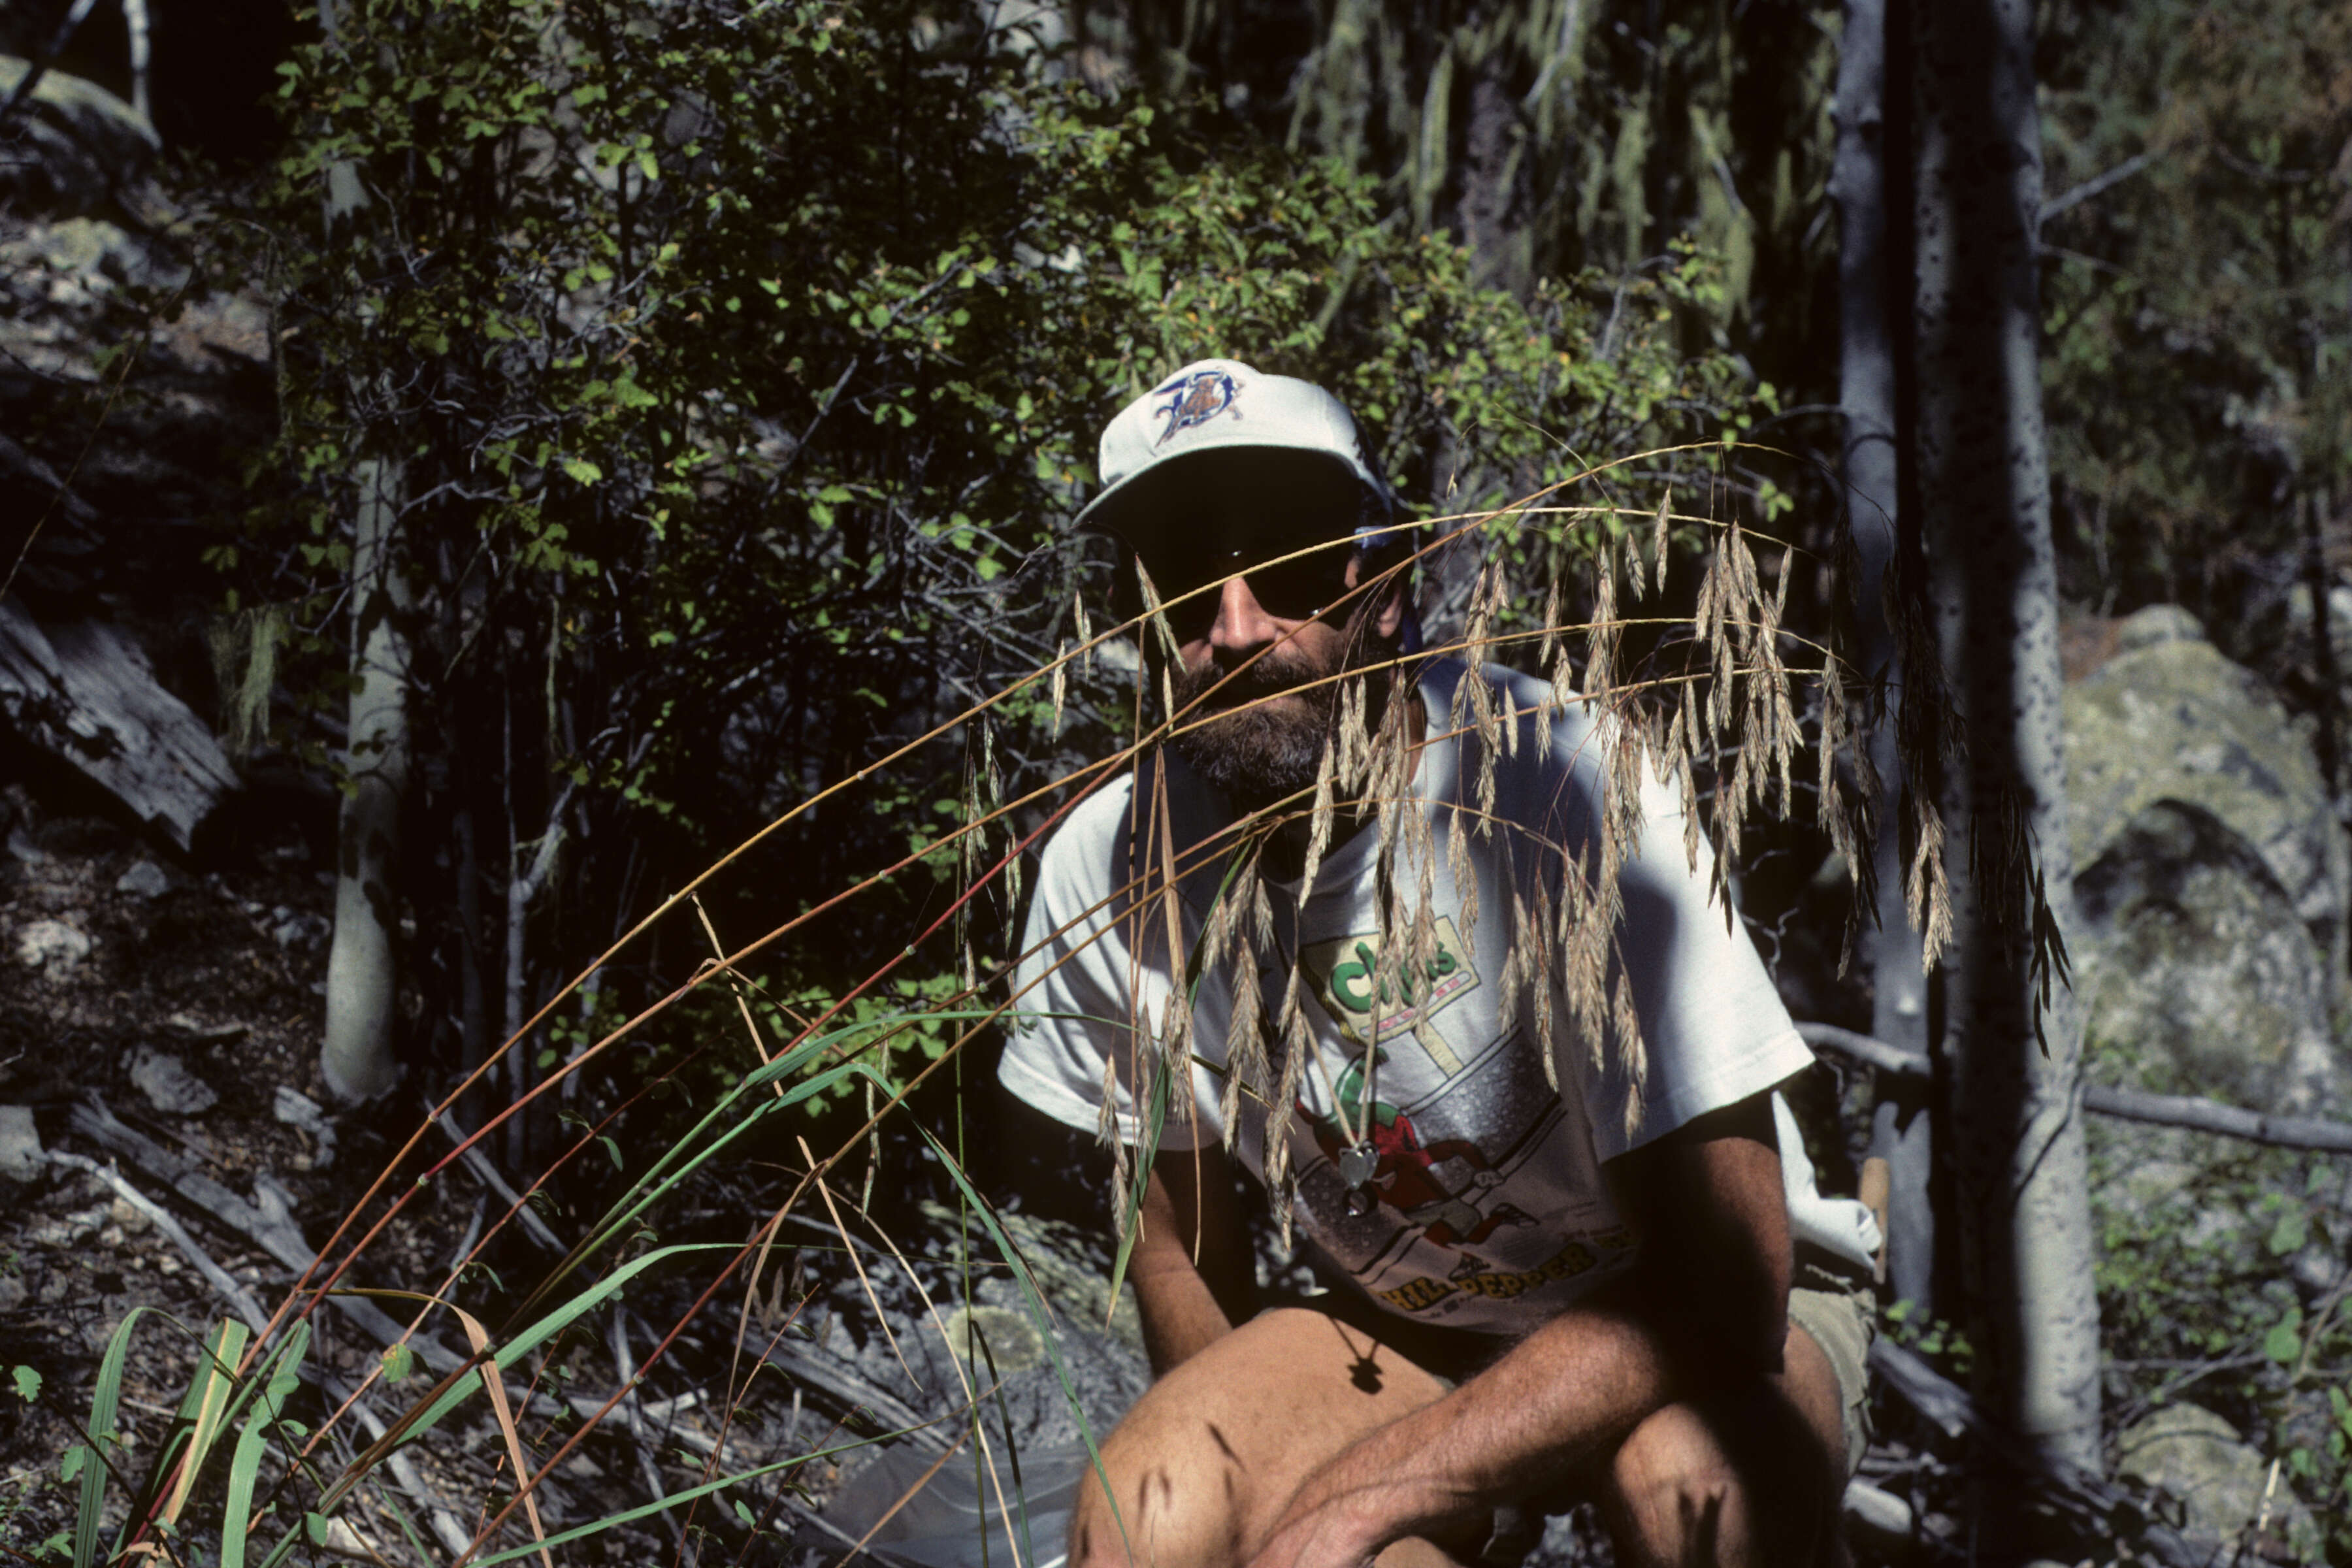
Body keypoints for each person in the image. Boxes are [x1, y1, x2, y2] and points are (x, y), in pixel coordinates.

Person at [1001, 359, 1880, 1568]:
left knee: (1694, 1499)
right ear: (1129, 624)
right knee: (1153, 1507)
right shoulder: (1111, 864)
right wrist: (1276, 1516)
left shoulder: (1563, 788)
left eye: (1296, 567)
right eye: (1186, 586)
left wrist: (1358, 1498)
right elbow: (1174, 1241)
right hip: (1409, 1329)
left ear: (1384, 582)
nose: (1240, 629)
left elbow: (1731, 1282)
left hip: (1694, 1320)